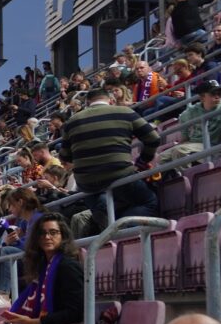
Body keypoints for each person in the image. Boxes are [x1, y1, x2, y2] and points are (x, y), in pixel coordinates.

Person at [59, 88, 161, 238]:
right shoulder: (124, 112)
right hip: (120, 175)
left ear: (87, 104)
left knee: (102, 203)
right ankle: (125, 228)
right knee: (149, 201)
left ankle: (111, 226)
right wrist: (142, 161)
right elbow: (153, 138)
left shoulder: (71, 122)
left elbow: (65, 156)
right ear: (111, 100)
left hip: (87, 183)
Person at [157, 81, 221, 171]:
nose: (217, 96)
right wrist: (185, 136)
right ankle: (171, 180)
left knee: (180, 151)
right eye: (212, 94)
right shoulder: (193, 110)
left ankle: (186, 180)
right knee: (160, 157)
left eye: (219, 94)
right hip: (193, 144)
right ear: (202, 98)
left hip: (211, 145)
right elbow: (183, 118)